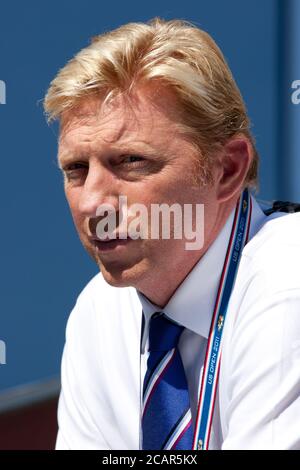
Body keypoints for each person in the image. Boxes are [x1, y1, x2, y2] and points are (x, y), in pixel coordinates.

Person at [43, 18, 300, 450]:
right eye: (76, 170)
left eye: (130, 161)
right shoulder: (98, 309)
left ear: (228, 169)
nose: (92, 203)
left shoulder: (288, 281)